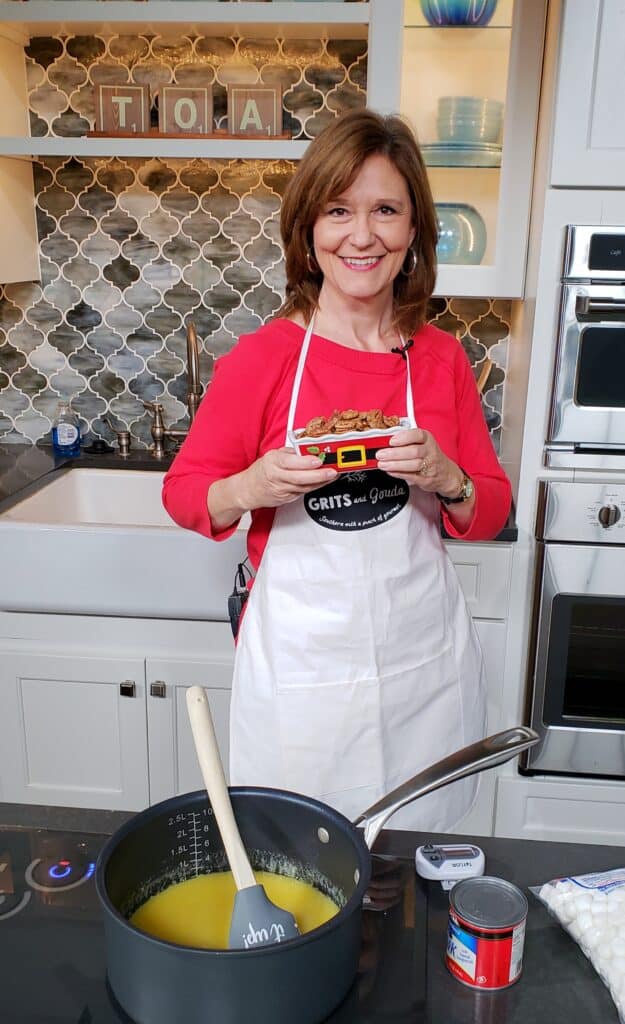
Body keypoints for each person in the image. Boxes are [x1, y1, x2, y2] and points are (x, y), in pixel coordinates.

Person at [162, 107, 512, 831]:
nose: (362, 235)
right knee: (302, 858)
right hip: (304, 680)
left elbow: (491, 511)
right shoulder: (261, 360)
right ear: (307, 233)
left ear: (413, 229)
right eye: (337, 211)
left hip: (420, 675)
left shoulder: (440, 359)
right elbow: (187, 495)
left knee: (411, 871)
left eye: (385, 209)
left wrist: (448, 477)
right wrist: (252, 486)